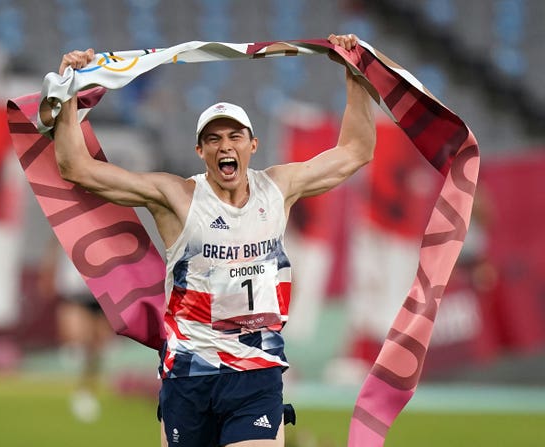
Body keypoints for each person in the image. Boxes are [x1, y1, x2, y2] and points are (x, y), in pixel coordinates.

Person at [54, 33, 375, 447]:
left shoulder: (279, 188)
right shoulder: (176, 197)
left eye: (235, 136)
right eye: (214, 139)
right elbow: (76, 168)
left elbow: (356, 149)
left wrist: (356, 71)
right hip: (189, 376)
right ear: (200, 151)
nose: (226, 146)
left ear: (252, 145)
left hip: (256, 373)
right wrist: (68, 91)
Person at [38, 235, 115, 423]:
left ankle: (86, 389)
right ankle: (71, 389)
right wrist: (49, 269)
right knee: (77, 338)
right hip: (75, 284)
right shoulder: (71, 214)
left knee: (99, 346)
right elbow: (55, 240)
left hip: (103, 283)